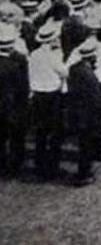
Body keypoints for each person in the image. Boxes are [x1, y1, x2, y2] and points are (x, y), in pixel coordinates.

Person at [28, 24, 66, 179]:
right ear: (51, 40)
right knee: (55, 132)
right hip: (52, 96)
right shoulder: (53, 56)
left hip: (37, 95)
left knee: (40, 131)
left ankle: (39, 164)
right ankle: (52, 166)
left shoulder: (34, 55)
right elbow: (64, 72)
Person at [66, 40, 101, 185]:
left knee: (83, 144)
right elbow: (95, 98)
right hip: (88, 115)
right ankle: (83, 174)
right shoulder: (89, 76)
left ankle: (83, 172)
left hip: (76, 112)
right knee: (86, 146)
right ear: (92, 56)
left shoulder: (74, 69)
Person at [0, 27, 29, 177]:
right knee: (16, 136)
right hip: (14, 105)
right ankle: (15, 165)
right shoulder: (18, 61)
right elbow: (23, 86)